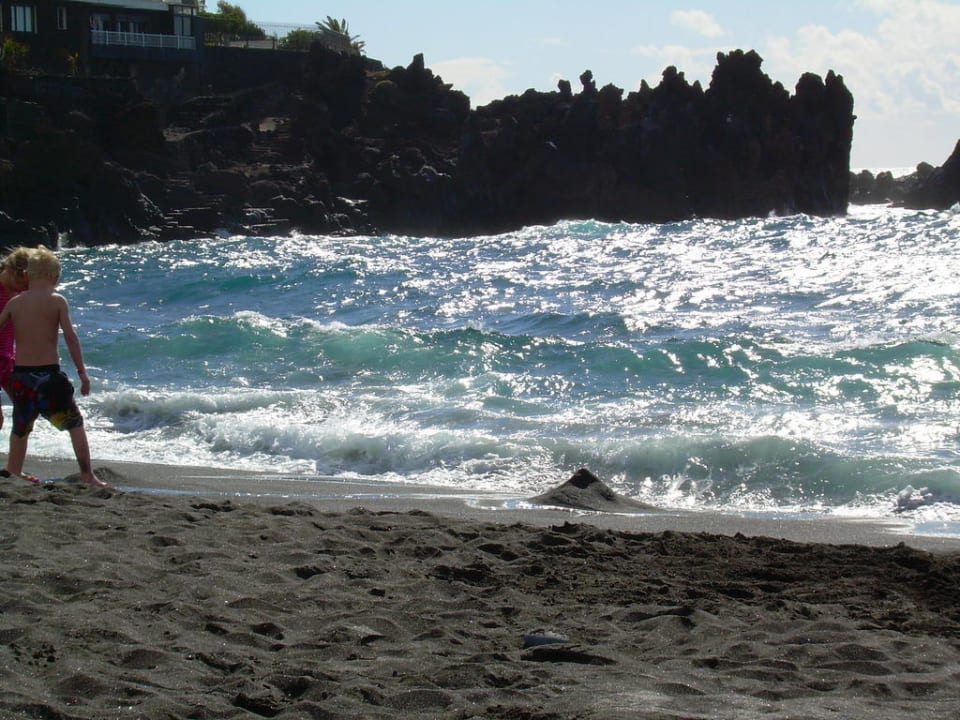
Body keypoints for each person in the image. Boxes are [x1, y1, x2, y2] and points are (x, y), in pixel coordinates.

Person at [0, 247, 106, 487]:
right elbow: (70, 337)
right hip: (48, 376)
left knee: (21, 426)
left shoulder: (15, 303)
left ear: (28, 276)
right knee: (74, 423)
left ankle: (14, 471)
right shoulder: (57, 301)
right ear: (55, 278)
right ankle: (87, 474)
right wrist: (83, 373)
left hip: (21, 377)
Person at [0, 247, 32, 428]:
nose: (26, 289)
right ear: (12, 272)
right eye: (24, 284)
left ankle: (16, 454)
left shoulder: (20, 292)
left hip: (7, 360)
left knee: (26, 409)